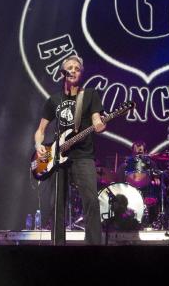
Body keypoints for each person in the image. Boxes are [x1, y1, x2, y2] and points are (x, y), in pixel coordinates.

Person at [33, 54, 106, 244]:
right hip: (57, 157)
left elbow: (97, 119)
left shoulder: (89, 95)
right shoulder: (54, 100)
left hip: (83, 155)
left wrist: (99, 124)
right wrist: (38, 145)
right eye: (70, 68)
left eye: (77, 68)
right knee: (57, 204)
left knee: (90, 200)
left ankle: (93, 246)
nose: (73, 70)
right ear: (63, 73)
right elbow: (41, 130)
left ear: (81, 73)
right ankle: (58, 246)